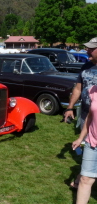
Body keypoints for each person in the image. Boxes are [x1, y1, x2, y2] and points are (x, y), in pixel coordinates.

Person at [64, 37, 97, 189]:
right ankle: (83, 179)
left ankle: (82, 180)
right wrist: (70, 107)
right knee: (89, 146)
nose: (87, 50)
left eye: (91, 48)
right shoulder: (86, 66)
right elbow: (78, 88)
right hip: (86, 115)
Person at [72, 85, 97, 204]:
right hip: (92, 142)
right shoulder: (93, 90)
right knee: (85, 179)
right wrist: (80, 138)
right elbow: (90, 116)